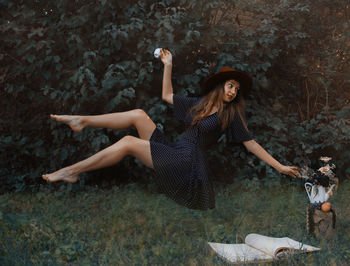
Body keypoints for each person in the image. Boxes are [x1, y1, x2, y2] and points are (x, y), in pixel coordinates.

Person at [42, 49, 301, 210]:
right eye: (230, 85)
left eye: (237, 88)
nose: (233, 91)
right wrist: (168, 65)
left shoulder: (230, 115)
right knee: (138, 115)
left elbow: (251, 143)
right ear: (220, 85)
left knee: (129, 143)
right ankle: (82, 120)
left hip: (186, 162)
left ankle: (71, 171)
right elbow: (167, 95)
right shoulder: (201, 105)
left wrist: (279, 167)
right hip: (175, 150)